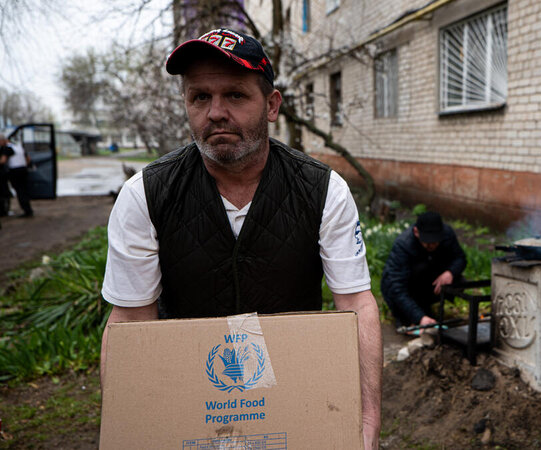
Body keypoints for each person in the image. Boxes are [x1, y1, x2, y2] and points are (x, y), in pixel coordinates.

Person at [99, 28, 382, 449]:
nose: (215, 112)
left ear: (271, 104)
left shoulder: (323, 190)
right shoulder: (146, 195)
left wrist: (366, 420)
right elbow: (131, 322)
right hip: (189, 397)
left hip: (299, 396)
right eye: (200, 97)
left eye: (235, 95)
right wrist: (132, 425)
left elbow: (356, 303)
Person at [381, 211, 467, 327]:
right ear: (416, 232)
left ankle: (425, 308)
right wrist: (419, 317)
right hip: (403, 286)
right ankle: (408, 315)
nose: (432, 245)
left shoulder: (447, 234)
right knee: (408, 319)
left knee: (459, 281)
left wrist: (450, 272)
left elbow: (460, 258)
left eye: (435, 241)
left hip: (428, 279)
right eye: (427, 241)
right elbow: (397, 287)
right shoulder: (403, 245)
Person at [0, 134, 33, 217]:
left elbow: (3, 161)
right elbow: (28, 159)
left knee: (20, 191)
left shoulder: (7, 148)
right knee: (24, 190)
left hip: (15, 171)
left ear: (3, 140)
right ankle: (28, 209)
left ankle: (26, 211)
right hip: (23, 170)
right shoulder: (18, 147)